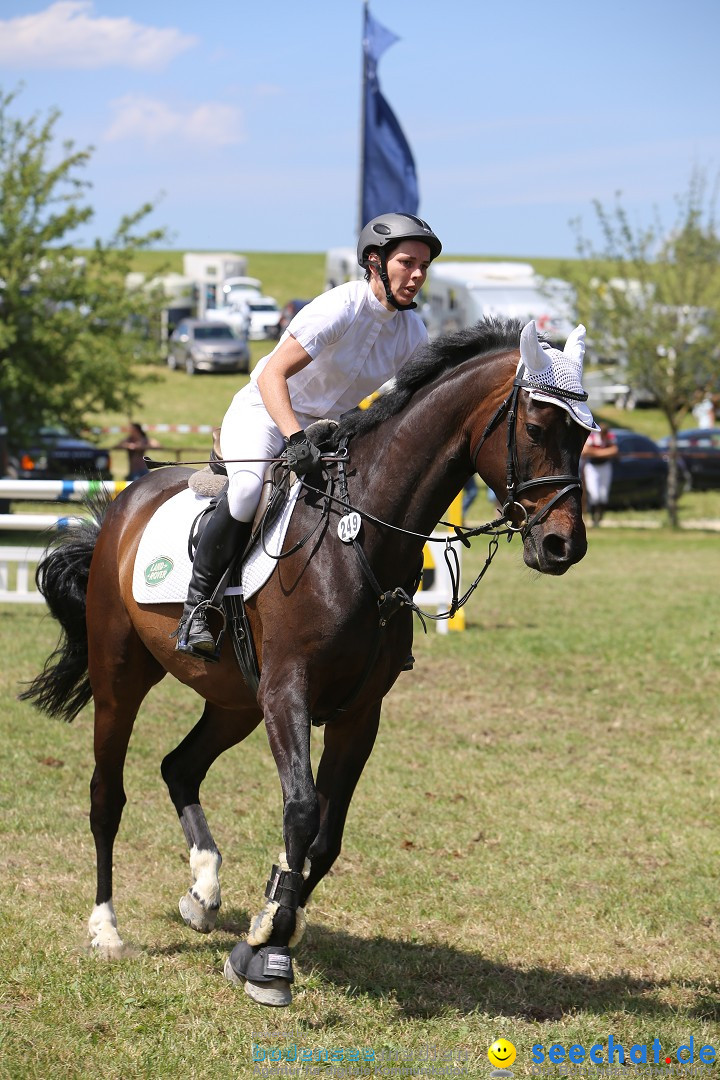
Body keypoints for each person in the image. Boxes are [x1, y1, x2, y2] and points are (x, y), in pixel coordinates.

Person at [175, 212, 443, 657]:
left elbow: (406, 405)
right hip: (266, 410)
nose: (417, 275)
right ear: (374, 261)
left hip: (330, 426)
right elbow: (272, 374)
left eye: (424, 267)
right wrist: (294, 438)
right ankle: (196, 609)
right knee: (245, 493)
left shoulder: (412, 331)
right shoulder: (341, 305)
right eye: (407, 262)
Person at [581, 423, 618, 526]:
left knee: (603, 495)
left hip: (605, 466)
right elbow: (585, 451)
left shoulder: (610, 437)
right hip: (592, 467)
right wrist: (605, 452)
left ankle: (600, 517)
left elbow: (615, 450)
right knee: (594, 494)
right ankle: (594, 518)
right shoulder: (592, 437)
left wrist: (595, 452)